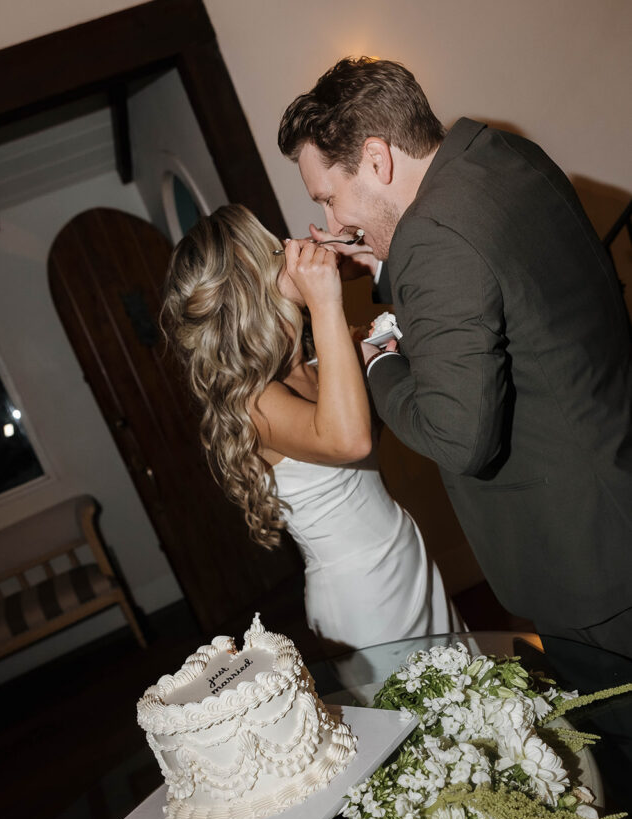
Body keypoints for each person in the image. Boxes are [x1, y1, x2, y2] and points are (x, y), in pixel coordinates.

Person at [278, 56, 632, 660]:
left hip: (586, 556)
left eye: (330, 198)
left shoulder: (434, 239)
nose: (333, 223)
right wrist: (387, 263)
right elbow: (489, 282)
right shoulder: (501, 155)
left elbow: (457, 436)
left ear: (376, 158)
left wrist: (377, 358)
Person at [160, 203, 460, 650]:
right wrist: (324, 302)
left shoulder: (313, 364)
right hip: (364, 596)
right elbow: (351, 440)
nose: (291, 249)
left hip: (405, 553)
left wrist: (368, 265)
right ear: (253, 287)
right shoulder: (254, 400)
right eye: (274, 251)